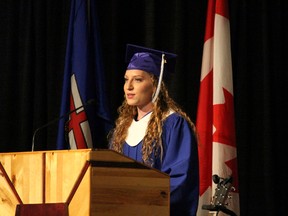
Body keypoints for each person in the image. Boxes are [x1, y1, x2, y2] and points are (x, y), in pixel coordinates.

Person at [108, 44, 199, 215]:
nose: (129, 87)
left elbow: (179, 182)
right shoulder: (121, 130)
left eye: (138, 79)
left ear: (155, 85)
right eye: (126, 79)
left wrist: (137, 201)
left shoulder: (173, 125)